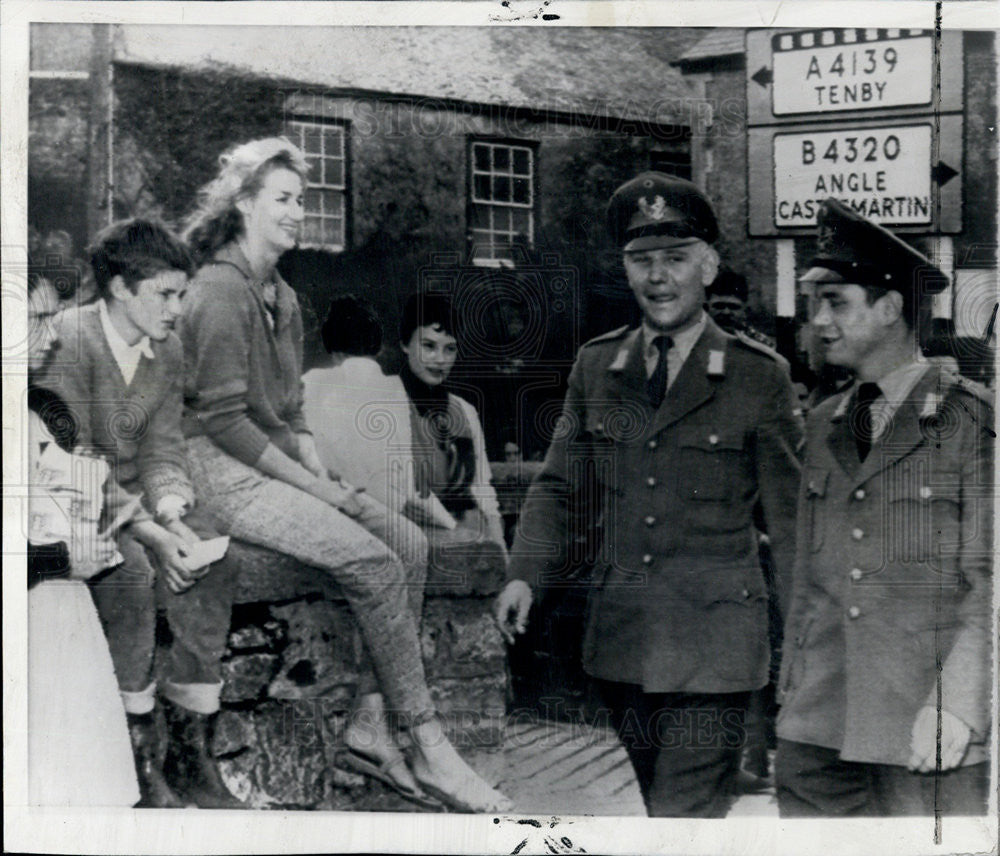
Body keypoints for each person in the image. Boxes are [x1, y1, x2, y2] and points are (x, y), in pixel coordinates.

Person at [179, 137, 510, 813]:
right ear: (243, 203)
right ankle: (426, 742)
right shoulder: (218, 290)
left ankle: (366, 720)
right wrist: (319, 491)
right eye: (283, 199)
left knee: (410, 544)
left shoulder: (285, 297)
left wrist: (322, 467)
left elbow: (291, 413)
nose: (299, 212)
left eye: (302, 199)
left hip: (269, 465)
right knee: (373, 561)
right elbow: (223, 423)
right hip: (219, 472)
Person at [495, 172, 803, 817]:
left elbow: (793, 523)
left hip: (718, 646)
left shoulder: (758, 377)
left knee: (682, 813)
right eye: (641, 261)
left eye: (675, 259)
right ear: (625, 270)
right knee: (664, 811)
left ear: (709, 266)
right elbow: (557, 485)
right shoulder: (597, 366)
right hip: (624, 641)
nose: (658, 277)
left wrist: (802, 644)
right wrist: (524, 574)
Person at [775, 199, 993, 816]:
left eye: (836, 302)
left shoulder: (969, 421)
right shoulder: (822, 423)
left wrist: (959, 704)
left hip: (923, 728)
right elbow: (806, 581)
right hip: (817, 728)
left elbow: (991, 585)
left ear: (891, 308)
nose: (819, 321)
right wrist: (789, 696)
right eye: (815, 303)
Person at [35, 218, 244, 808]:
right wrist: (151, 535)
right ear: (121, 288)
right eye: (166, 294)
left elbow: (162, 446)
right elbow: (68, 457)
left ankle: (190, 747)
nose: (178, 308)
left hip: (135, 502)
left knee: (216, 562)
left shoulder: (166, 348)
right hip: (72, 500)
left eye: (182, 294)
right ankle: (135, 754)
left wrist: (173, 512)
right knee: (129, 572)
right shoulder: (70, 340)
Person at [26, 274, 140, 807]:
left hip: (63, 612)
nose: (51, 337)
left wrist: (87, 542)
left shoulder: (44, 410)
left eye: (53, 320)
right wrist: (59, 558)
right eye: (37, 321)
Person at [302, 295, 454, 529]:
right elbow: (403, 470)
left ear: (334, 351)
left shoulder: (312, 382)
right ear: (378, 347)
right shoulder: (394, 389)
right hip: (397, 501)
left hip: (343, 502)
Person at [398, 290, 507, 552]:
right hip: (412, 537)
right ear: (404, 343)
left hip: (470, 534)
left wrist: (500, 547)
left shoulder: (464, 410)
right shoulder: (391, 407)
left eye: (450, 349)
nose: (440, 359)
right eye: (429, 346)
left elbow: (482, 488)